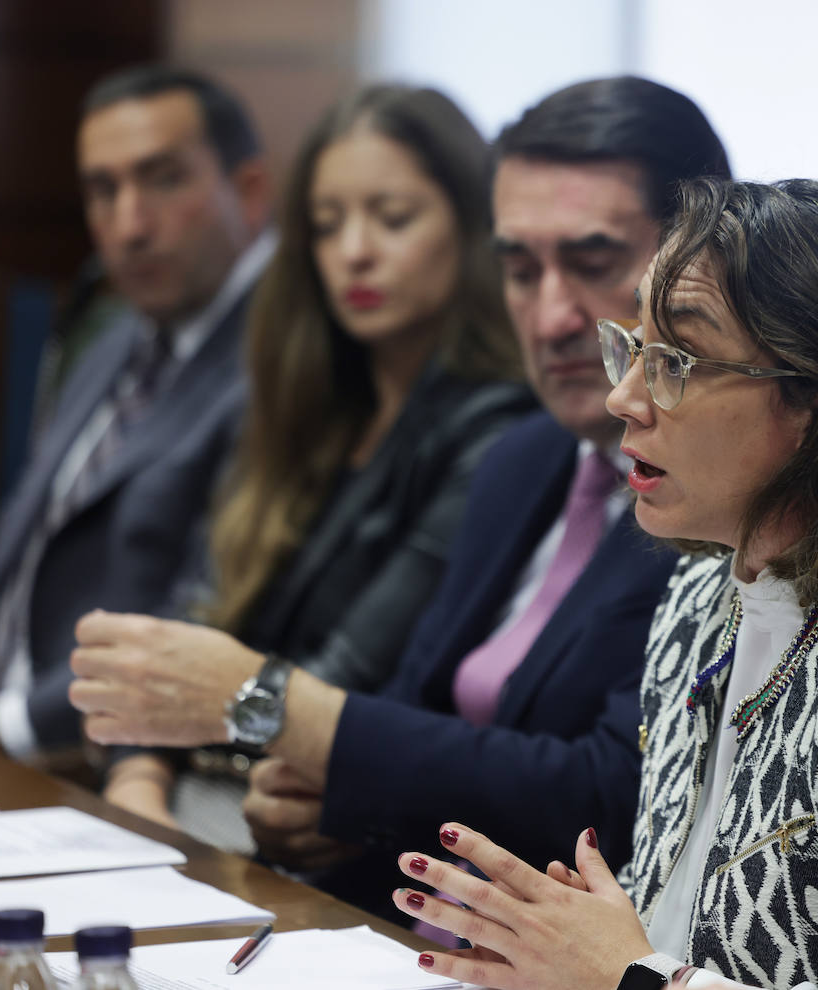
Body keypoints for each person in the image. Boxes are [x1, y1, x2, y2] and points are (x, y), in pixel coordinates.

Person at [67, 76, 730, 915]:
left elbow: (612, 794)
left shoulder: (717, 491)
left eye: (593, 263)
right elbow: (409, 702)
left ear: (702, 263)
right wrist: (333, 809)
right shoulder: (527, 456)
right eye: (521, 269)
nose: (554, 314)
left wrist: (278, 709)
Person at [387, 179, 818, 989]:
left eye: (674, 362)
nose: (623, 398)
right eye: (632, 347)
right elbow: (675, 943)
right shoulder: (696, 600)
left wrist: (624, 975)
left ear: (816, 396)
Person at [96, 83, 536, 848]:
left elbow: (348, 679)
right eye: (327, 227)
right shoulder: (308, 398)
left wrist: (189, 729)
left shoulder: (500, 429)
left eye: (392, 218)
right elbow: (190, 615)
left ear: (471, 228)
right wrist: (138, 775)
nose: (354, 251)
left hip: (297, 813)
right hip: (181, 794)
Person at [0, 65, 273, 760]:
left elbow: (203, 618)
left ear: (249, 191)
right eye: (103, 189)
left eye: (162, 179)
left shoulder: (281, 365)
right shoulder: (119, 333)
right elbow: (13, 543)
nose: (128, 225)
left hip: (78, 753)